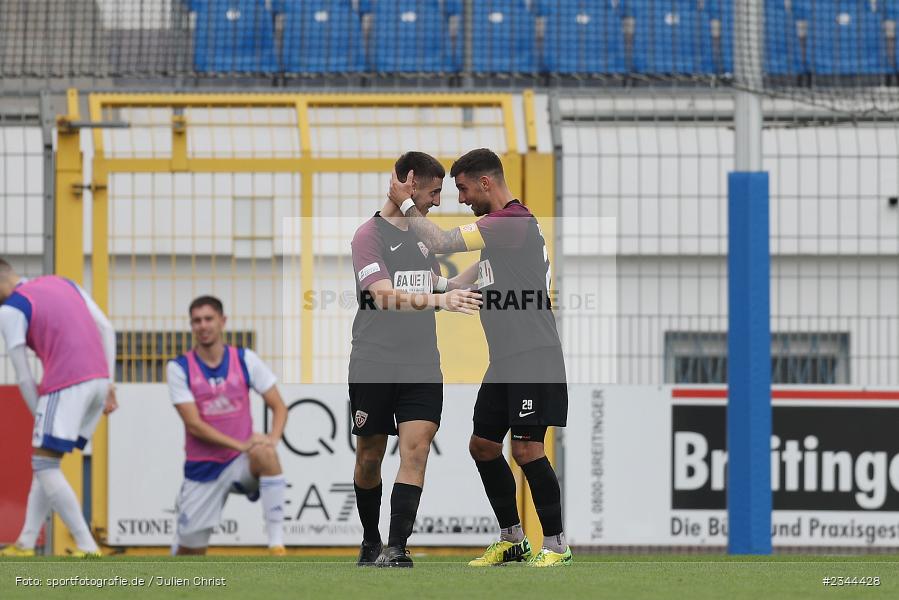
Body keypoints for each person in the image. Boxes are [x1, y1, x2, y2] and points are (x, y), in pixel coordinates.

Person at [387, 148, 572, 567]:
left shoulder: (512, 222)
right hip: (506, 359)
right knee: (484, 446)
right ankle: (513, 539)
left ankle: (557, 545)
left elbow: (440, 240)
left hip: (533, 356)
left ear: (486, 182)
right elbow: (452, 282)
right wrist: (406, 283)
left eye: (465, 189)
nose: (462, 199)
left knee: (527, 451)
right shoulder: (499, 239)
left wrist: (404, 201)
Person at [349, 151, 482, 567]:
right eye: (435, 192)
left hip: (422, 363)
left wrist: (491, 260)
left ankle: (397, 547)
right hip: (374, 362)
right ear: (410, 181)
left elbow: (446, 284)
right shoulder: (367, 236)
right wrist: (442, 298)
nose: (438, 202)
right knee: (369, 456)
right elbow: (383, 296)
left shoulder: (423, 238)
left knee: (417, 450)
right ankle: (371, 540)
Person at [0, 259, 117, 557]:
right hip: (98, 381)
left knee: (44, 463)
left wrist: (37, 413)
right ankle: (25, 543)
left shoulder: (11, 308)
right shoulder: (62, 281)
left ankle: (87, 545)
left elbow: (24, 375)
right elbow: (106, 326)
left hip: (66, 383)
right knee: (45, 462)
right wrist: (110, 383)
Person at [168, 295, 288, 556]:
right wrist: (241, 444)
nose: (203, 325)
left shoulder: (245, 359)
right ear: (192, 326)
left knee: (266, 453)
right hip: (203, 470)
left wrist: (271, 440)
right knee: (188, 554)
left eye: (208, 319)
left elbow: (279, 406)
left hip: (241, 462)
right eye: (196, 321)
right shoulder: (179, 368)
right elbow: (194, 425)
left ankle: (276, 542)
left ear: (222, 321)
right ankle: (181, 545)